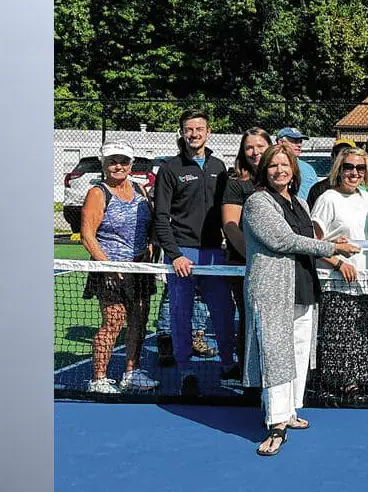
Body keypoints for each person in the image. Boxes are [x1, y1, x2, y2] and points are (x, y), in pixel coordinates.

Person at [241, 144, 361, 456]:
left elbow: (309, 242)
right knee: (276, 357)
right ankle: (276, 424)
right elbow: (284, 240)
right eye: (272, 166)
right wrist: (333, 248)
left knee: (296, 353)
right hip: (272, 291)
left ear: (294, 170)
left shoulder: (300, 204)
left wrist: (334, 256)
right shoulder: (257, 202)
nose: (279, 170)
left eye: (285, 165)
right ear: (263, 171)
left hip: (303, 287)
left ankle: (291, 411)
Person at [155, 110, 235, 395]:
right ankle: (185, 370)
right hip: (182, 253)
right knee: (180, 314)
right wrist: (175, 254)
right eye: (189, 129)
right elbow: (161, 216)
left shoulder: (219, 166)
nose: (194, 133)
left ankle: (228, 363)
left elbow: (229, 211)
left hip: (214, 253)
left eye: (199, 128)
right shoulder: (170, 169)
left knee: (224, 311)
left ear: (208, 132)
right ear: (182, 133)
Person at [80, 141, 159, 394]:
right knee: (112, 323)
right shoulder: (97, 193)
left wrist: (148, 252)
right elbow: (87, 235)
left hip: (140, 269)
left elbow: (149, 228)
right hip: (110, 271)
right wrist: (109, 267)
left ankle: (131, 372)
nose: (118, 166)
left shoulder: (140, 190)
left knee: (139, 320)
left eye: (123, 161)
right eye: (113, 161)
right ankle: (99, 378)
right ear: (104, 164)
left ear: (131, 164)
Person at [309, 147, 368, 397]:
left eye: (360, 168)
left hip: (367, 279)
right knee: (339, 335)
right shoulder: (328, 198)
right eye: (348, 167)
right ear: (339, 169)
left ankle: (356, 383)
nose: (354, 173)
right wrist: (338, 262)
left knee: (362, 334)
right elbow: (314, 244)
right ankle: (334, 384)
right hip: (335, 279)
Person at [220, 127, 274, 378]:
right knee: (250, 320)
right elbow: (231, 226)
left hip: (276, 266)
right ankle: (249, 378)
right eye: (249, 147)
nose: (254, 152)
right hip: (244, 265)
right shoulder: (236, 184)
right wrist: (253, 257)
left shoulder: (279, 178)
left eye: (260, 146)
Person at [306, 138, 358, 207]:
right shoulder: (319, 189)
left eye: (347, 154)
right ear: (333, 157)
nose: (342, 159)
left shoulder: (361, 188)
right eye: (339, 154)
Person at [276, 127, 318, 200]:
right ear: (281, 142)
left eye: (300, 141)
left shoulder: (308, 168)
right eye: (294, 141)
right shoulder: (272, 167)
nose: (299, 145)